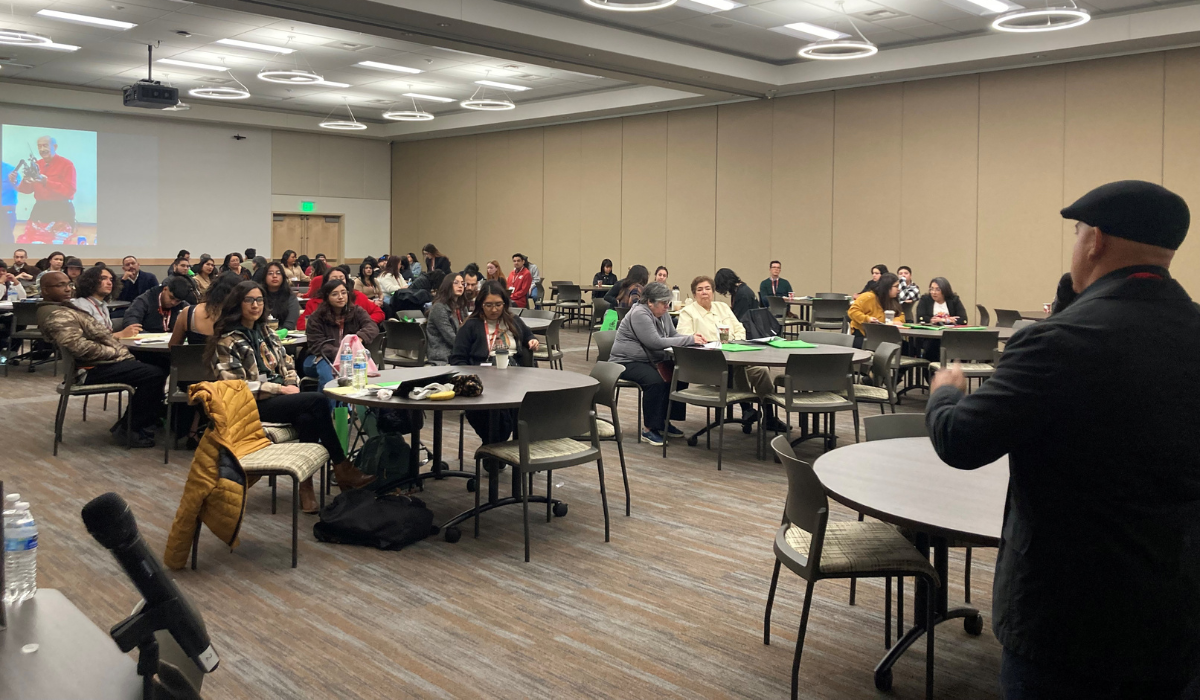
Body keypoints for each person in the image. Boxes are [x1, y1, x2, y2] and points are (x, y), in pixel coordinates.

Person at [925, 180, 1200, 699]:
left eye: (1076, 234)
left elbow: (961, 442)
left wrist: (945, 395)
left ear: (1094, 240)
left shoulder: (1058, 340)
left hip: (1065, 619)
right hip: (1176, 613)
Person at [208, 281, 373, 512]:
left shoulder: (267, 332)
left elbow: (287, 363)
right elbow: (235, 386)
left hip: (281, 398)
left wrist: (290, 382)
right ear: (238, 304)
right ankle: (342, 466)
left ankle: (306, 487)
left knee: (308, 417)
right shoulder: (227, 340)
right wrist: (280, 390)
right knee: (318, 400)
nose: (256, 305)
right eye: (250, 300)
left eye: (260, 300)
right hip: (251, 404)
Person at [38, 272, 164, 447]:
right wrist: (116, 352)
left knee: (159, 364)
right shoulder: (57, 314)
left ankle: (146, 419)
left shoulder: (66, 307)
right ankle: (129, 428)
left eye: (69, 284)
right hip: (89, 369)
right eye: (60, 285)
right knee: (154, 374)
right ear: (45, 290)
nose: (67, 289)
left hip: (101, 363)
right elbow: (79, 347)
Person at [676, 275, 783, 431]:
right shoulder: (688, 312)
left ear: (713, 292)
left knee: (761, 371)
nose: (704, 292)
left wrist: (734, 342)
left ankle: (769, 417)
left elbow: (740, 329)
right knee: (735, 369)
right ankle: (747, 408)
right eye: (700, 290)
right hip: (711, 363)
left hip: (736, 354)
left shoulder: (723, 307)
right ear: (694, 294)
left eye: (707, 289)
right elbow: (684, 337)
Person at [609, 282, 701, 446]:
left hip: (651, 360)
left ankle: (664, 421)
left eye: (668, 303)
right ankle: (649, 429)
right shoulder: (639, 313)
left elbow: (673, 334)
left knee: (679, 374)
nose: (667, 306)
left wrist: (693, 340)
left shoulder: (661, 312)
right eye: (664, 303)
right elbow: (654, 342)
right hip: (626, 361)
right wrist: (689, 340)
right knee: (654, 381)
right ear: (650, 301)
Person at [450, 281, 539, 446]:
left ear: (505, 304)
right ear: (480, 304)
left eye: (498, 304)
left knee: (517, 409)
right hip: (484, 378)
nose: (494, 309)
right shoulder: (470, 326)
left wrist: (532, 340)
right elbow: (457, 359)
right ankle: (495, 445)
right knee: (493, 414)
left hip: (515, 376)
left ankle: (497, 447)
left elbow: (528, 335)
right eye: (488, 305)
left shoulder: (513, 320)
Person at [302, 278, 378, 407]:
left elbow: (372, 326)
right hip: (319, 358)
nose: (340, 297)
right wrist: (344, 353)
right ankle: (338, 410)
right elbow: (317, 345)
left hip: (351, 359)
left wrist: (358, 338)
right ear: (327, 297)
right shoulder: (317, 317)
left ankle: (329, 411)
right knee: (328, 373)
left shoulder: (356, 311)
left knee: (348, 372)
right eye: (335, 294)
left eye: (343, 293)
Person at [10, 136, 78, 245]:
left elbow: (69, 191)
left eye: (45, 145)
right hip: (40, 210)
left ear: (54, 147)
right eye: (39, 146)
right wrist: (14, 182)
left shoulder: (67, 164)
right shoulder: (37, 165)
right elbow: (27, 189)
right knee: (32, 243)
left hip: (61, 210)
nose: (42, 149)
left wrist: (46, 181)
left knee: (59, 245)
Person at [171, 271, 241, 348]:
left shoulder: (188, 313)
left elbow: (173, 347)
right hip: (230, 359)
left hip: (195, 359)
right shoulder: (240, 314)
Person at [299, 266, 383, 328]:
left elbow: (379, 313)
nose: (338, 281)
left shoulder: (358, 296)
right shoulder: (314, 302)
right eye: (334, 278)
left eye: (341, 278)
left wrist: (362, 323)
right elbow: (301, 324)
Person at [70, 265, 138, 337]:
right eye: (103, 278)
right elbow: (88, 338)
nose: (109, 283)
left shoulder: (103, 305)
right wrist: (121, 334)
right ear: (90, 281)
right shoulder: (81, 305)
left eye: (111, 279)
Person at [848, 272, 904, 347]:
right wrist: (867, 319)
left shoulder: (892, 300)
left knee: (906, 347)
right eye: (896, 286)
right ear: (887, 287)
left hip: (883, 336)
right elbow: (852, 311)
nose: (898, 290)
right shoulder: (868, 297)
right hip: (863, 334)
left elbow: (901, 314)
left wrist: (896, 320)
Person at [123, 276, 192, 335]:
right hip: (146, 345)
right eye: (171, 297)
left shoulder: (183, 305)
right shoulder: (144, 300)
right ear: (165, 289)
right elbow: (131, 325)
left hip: (172, 345)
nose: (173, 303)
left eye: (178, 301)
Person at [426, 272, 469, 364]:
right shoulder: (439, 307)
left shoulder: (461, 307)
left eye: (462, 283)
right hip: (444, 355)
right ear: (448, 285)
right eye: (456, 283)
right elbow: (450, 337)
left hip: (458, 351)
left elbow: (468, 330)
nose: (460, 286)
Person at [253, 261, 299, 331]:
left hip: (285, 335)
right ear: (264, 277)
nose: (274, 276)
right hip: (261, 334)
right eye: (270, 273)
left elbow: (291, 322)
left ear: (283, 276)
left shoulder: (289, 295)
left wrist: (281, 333)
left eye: (278, 273)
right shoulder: (258, 295)